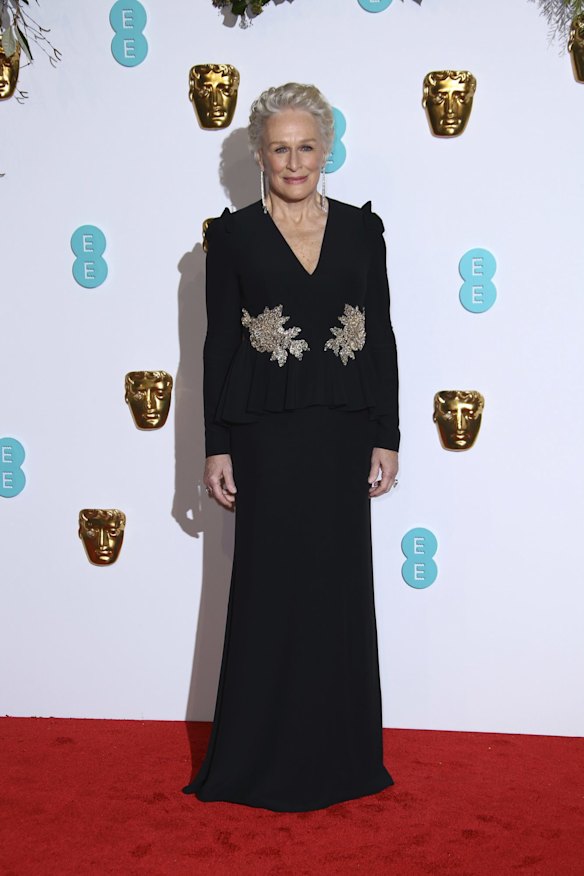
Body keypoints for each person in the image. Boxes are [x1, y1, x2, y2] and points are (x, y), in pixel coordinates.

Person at [182, 82, 400, 812]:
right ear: (258, 153)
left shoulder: (364, 232)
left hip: (341, 433)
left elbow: (383, 335)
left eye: (307, 146)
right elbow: (216, 347)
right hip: (265, 438)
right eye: (280, 147)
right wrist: (215, 447)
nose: (294, 160)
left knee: (336, 593)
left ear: (327, 147)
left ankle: (341, 758)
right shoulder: (234, 237)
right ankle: (257, 759)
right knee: (271, 593)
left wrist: (386, 434)